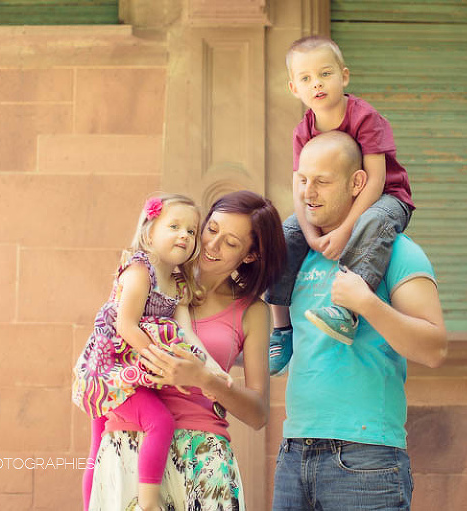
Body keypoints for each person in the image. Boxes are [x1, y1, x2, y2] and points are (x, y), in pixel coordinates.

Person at [272, 131, 447, 511]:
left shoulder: (397, 250)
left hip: (365, 458)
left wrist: (367, 304)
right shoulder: (300, 255)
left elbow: (434, 348)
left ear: (357, 183)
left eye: (322, 181)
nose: (308, 192)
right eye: (302, 180)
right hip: (293, 452)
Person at [87, 190, 286, 511]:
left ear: (249, 256)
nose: (212, 244)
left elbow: (259, 413)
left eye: (231, 243)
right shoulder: (153, 278)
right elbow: (108, 347)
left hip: (202, 457)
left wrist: (206, 379)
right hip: (129, 447)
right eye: (212, 229)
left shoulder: (251, 312)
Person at [72, 193, 231, 511]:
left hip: (136, 366)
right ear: (149, 231)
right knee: (156, 421)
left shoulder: (178, 283)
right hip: (110, 366)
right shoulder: (138, 270)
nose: (184, 236)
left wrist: (213, 368)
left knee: (103, 435)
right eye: (174, 226)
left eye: (190, 231)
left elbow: (187, 336)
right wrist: (159, 358)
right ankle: (147, 504)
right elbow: (125, 326)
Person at [268, 36, 416, 375]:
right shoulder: (303, 130)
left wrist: (345, 229)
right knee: (284, 235)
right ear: (294, 87)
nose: (316, 83)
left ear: (343, 76)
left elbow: (375, 180)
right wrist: (311, 233)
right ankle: (281, 328)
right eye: (305, 78)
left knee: (374, 222)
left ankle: (346, 313)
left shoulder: (365, 118)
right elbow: (299, 185)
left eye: (325, 73)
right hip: (332, 206)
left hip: (386, 199)